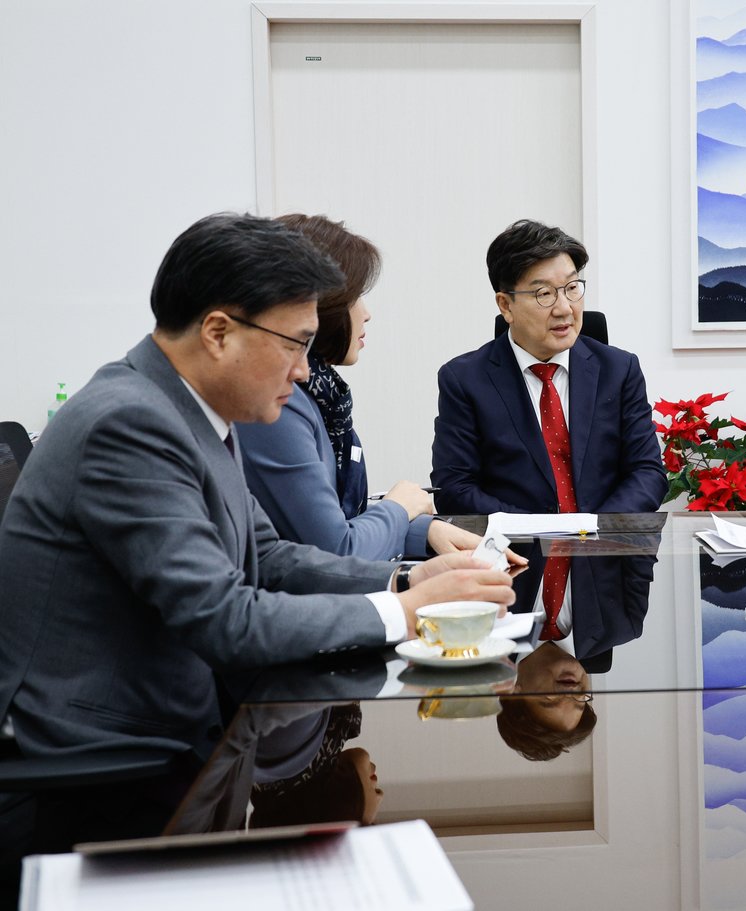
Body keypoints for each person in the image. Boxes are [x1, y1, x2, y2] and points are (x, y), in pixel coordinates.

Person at [0, 214, 514, 856]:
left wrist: (405, 578)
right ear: (219, 332)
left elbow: (267, 556)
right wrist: (406, 612)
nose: (302, 371)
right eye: (296, 344)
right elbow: (224, 618)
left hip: (175, 740)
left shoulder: (189, 409)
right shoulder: (128, 424)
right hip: (100, 772)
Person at [237, 214, 515, 561]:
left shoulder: (323, 396)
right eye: (356, 297)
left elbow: (338, 523)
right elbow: (338, 549)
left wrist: (423, 530)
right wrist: (398, 508)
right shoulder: (281, 402)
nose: (366, 313)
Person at [431, 219, 667, 515]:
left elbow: (647, 473)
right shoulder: (464, 380)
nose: (565, 308)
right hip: (515, 543)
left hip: (605, 540)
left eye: (572, 288)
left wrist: (591, 531)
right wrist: (540, 531)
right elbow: (454, 489)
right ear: (505, 305)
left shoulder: (619, 370)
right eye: (544, 293)